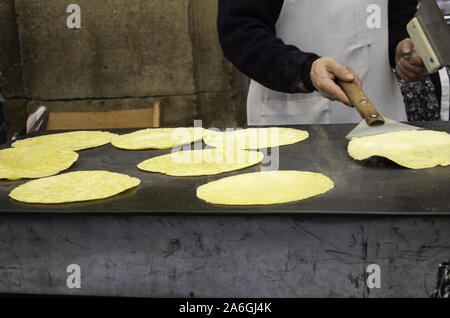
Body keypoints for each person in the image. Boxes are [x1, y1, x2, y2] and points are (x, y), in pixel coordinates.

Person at [217, 0, 427, 125]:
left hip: (382, 108)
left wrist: (399, 49)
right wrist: (306, 70)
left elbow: (396, 12)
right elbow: (240, 32)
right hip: (298, 122)